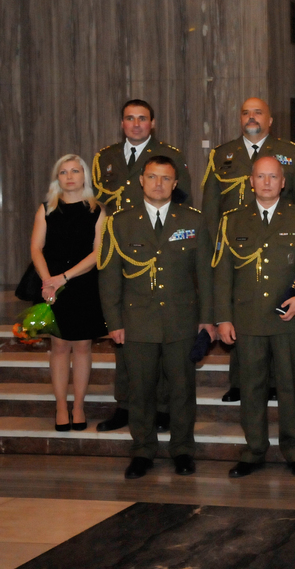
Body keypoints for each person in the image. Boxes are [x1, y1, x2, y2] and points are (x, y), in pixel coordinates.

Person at [97, 156, 214, 479]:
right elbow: (109, 276)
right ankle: (142, 451)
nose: (158, 184)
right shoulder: (120, 222)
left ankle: (182, 449)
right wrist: (114, 322)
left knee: (181, 390)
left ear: (175, 184)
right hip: (137, 321)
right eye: (152, 177)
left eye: (165, 179)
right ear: (141, 181)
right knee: (141, 391)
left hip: (181, 320)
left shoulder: (193, 220)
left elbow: (205, 274)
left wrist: (207, 320)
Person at [213, 155, 295, 478]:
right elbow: (222, 273)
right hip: (247, 318)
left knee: (291, 385)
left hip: (287, 318)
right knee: (251, 387)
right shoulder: (232, 220)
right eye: (260, 177)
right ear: (251, 181)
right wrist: (223, 317)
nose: (266, 182)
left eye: (272, 177)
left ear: (283, 182)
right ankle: (253, 450)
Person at [203, 97, 295, 403]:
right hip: (236, 249)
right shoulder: (222, 154)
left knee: (276, 313)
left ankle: (276, 382)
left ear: (270, 119)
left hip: (281, 246)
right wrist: (217, 247)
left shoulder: (290, 153)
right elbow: (210, 207)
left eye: (258, 112)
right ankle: (240, 382)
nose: (251, 117)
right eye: (246, 112)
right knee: (241, 314)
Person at [92, 99, 189, 432]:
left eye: (142, 119)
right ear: (122, 123)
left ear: (153, 123)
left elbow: (183, 201)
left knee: (161, 340)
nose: (136, 124)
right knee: (126, 339)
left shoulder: (170, 156)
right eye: (130, 119)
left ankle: (160, 408)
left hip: (161, 250)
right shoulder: (106, 158)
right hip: (122, 249)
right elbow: (98, 206)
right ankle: (126, 405)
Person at [29, 155, 107, 431]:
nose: (70, 176)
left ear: (84, 176)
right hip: (50, 282)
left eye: (75, 171)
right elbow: (36, 248)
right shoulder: (46, 209)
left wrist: (64, 277)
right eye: (63, 172)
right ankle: (61, 405)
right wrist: (49, 280)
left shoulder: (97, 210)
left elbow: (98, 252)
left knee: (83, 346)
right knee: (59, 346)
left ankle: (79, 405)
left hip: (83, 283)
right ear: (57, 178)